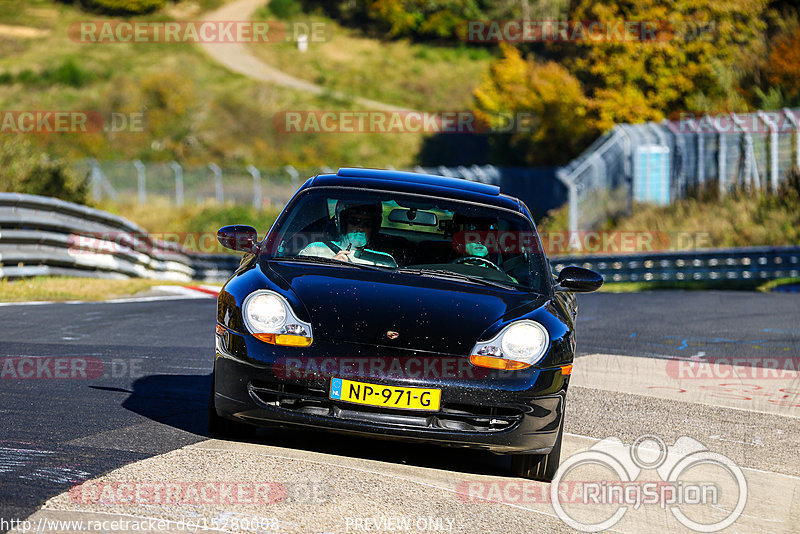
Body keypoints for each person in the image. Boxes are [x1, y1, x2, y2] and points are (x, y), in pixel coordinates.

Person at [299, 201, 397, 267]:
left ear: (374, 228)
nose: (361, 227)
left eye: (368, 223)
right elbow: (302, 282)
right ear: (342, 223)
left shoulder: (385, 262)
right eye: (355, 221)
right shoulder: (316, 250)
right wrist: (330, 266)